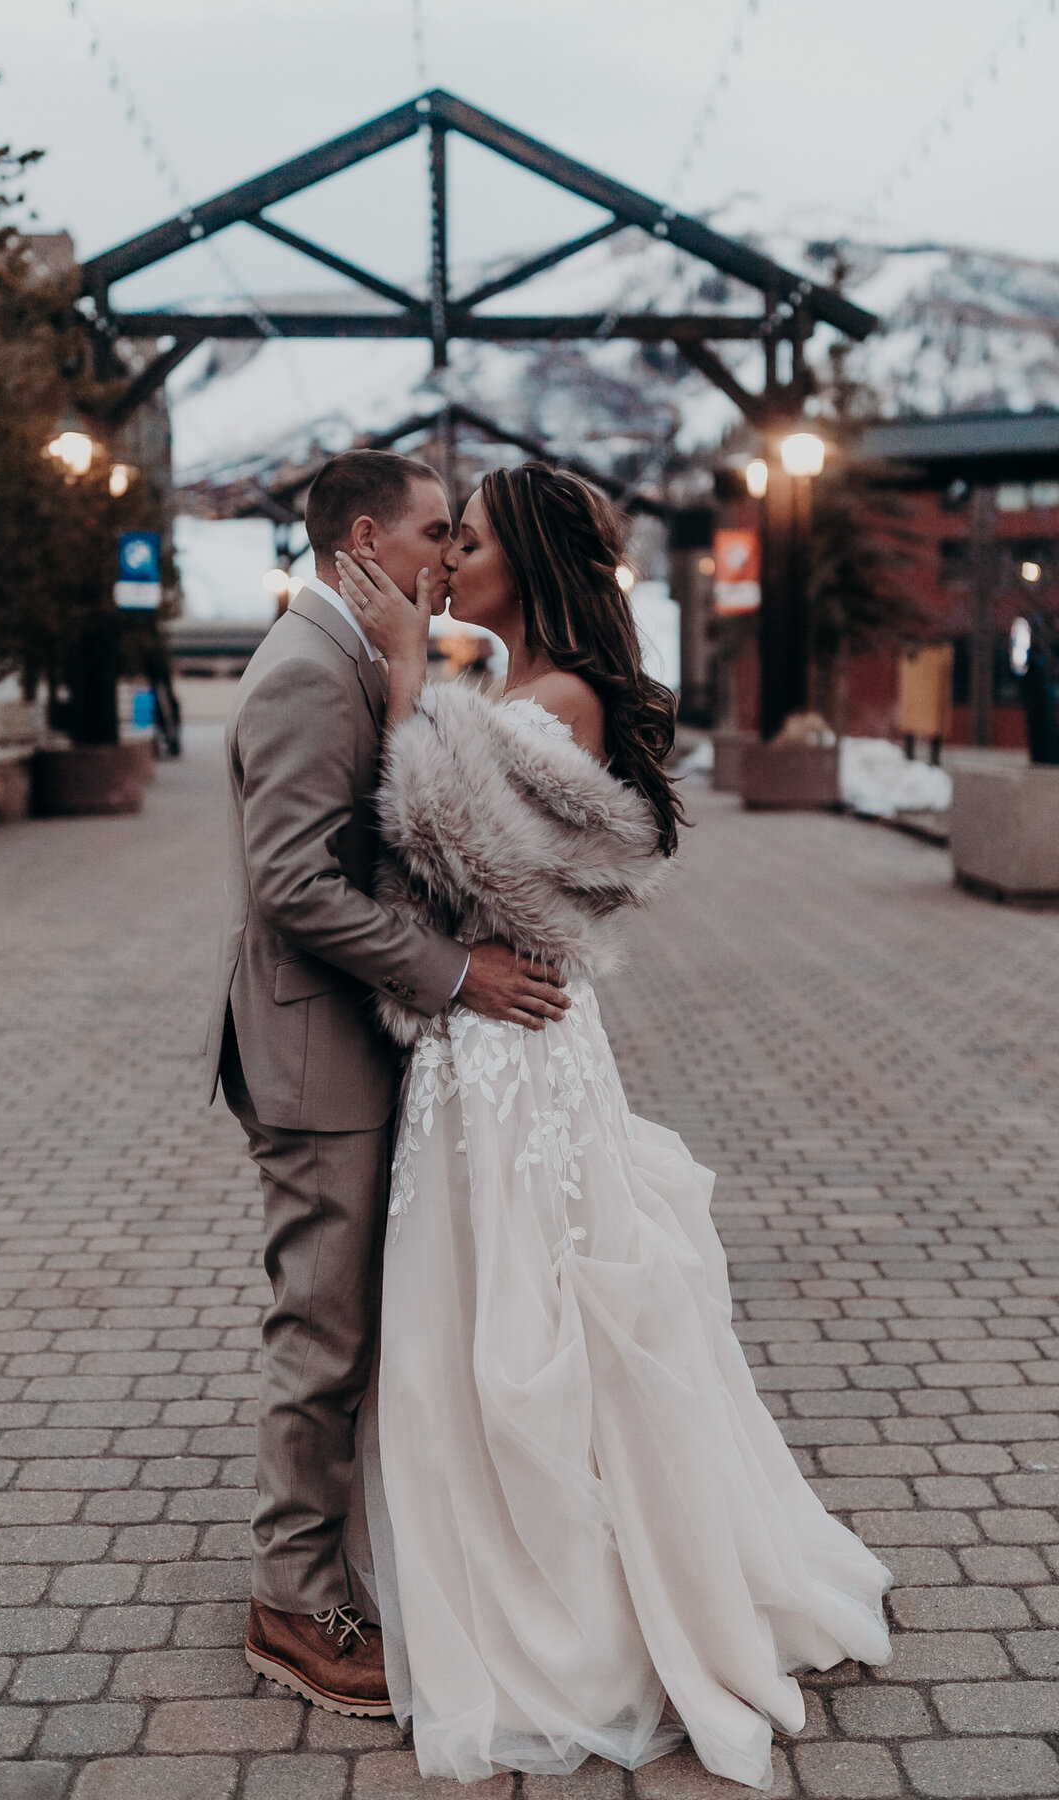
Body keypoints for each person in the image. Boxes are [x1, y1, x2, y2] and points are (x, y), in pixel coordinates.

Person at [333, 462, 892, 1791]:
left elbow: (433, 842)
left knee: (535, 1318)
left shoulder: (556, 698)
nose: (449, 559)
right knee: (486, 1312)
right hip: (503, 1045)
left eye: (467, 541)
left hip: (511, 1048)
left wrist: (407, 667)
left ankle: (577, 1603)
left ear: (526, 557)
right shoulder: (518, 694)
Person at [203, 450, 571, 1718]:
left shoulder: (357, 657)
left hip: (355, 1046)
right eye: (432, 532)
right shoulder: (309, 670)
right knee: (321, 1334)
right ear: (365, 537)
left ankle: (332, 1567)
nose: (446, 557)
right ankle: (293, 1606)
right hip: (316, 1055)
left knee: (349, 1327)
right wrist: (458, 974)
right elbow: (295, 887)